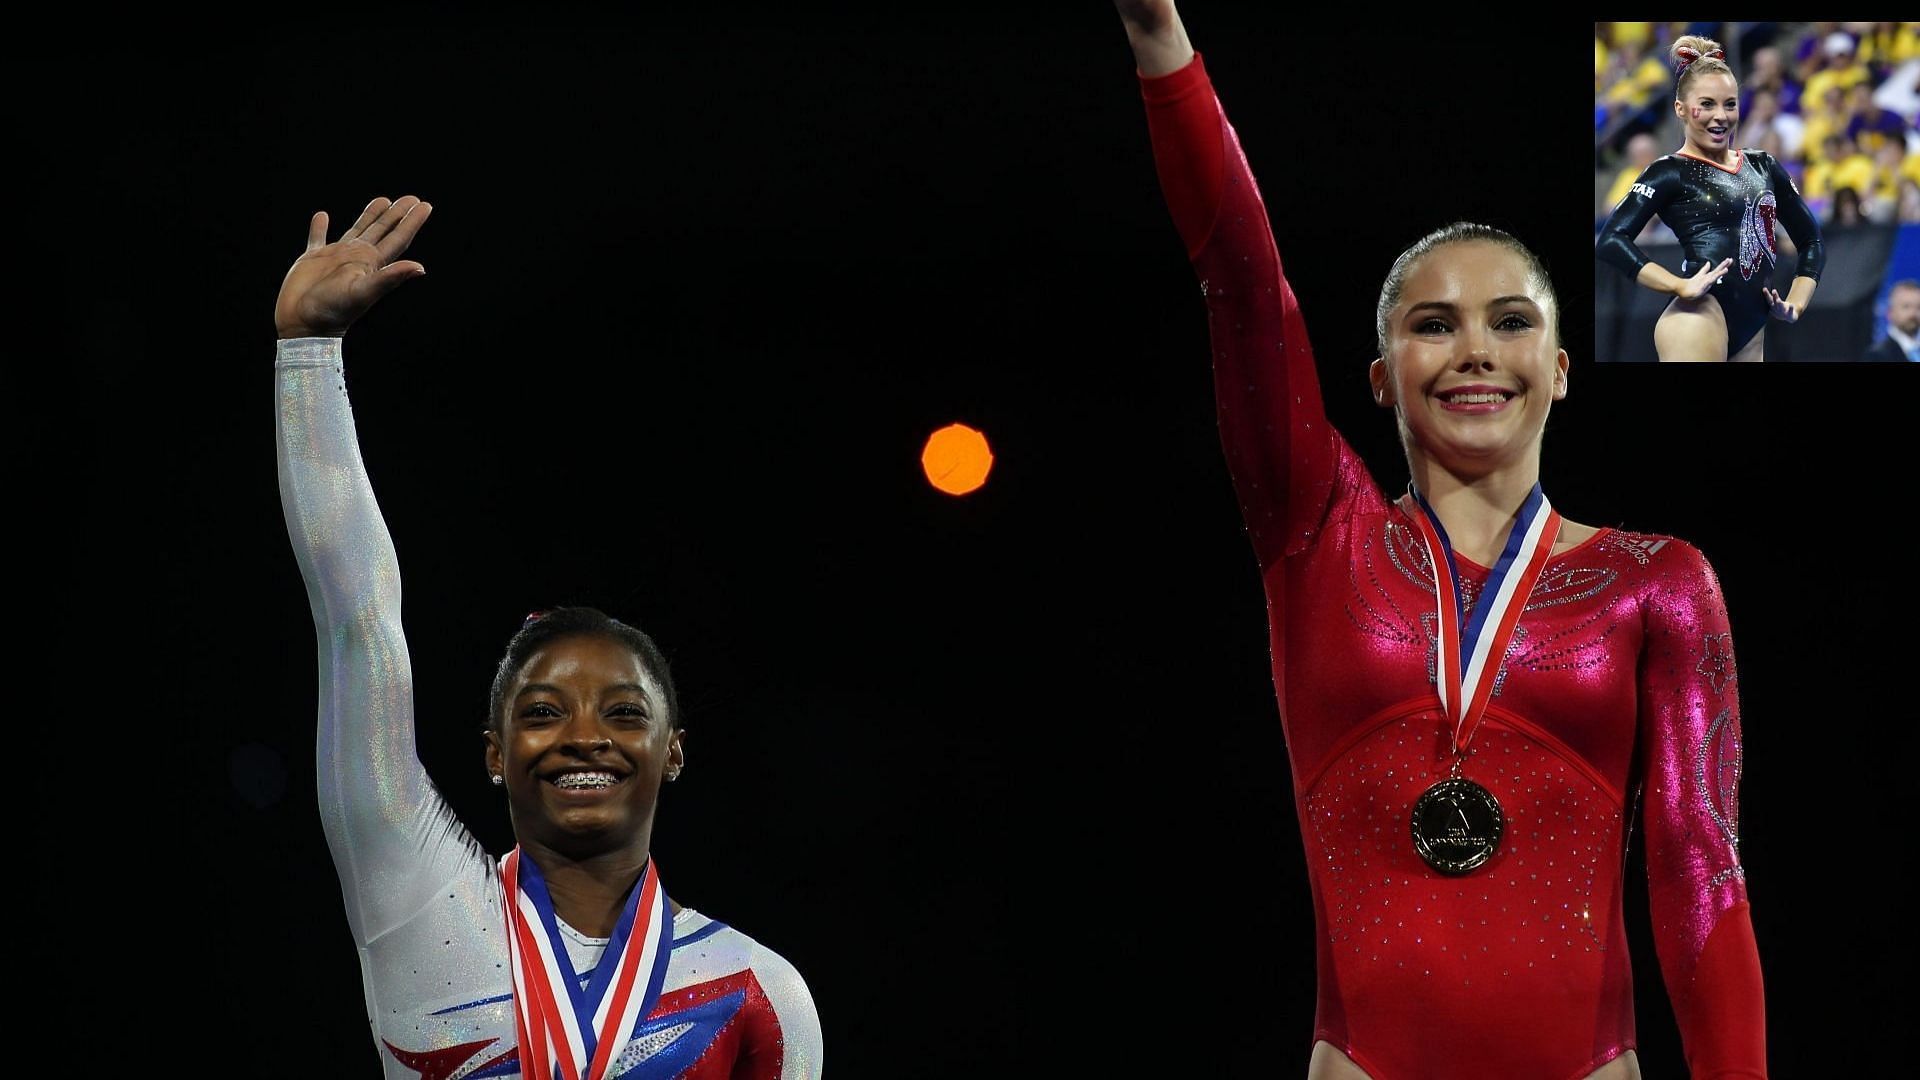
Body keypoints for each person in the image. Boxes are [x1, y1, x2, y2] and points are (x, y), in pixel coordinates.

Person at [1113, 3, 1764, 1078]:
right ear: (1381, 378)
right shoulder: (1318, 535)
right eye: (1432, 324)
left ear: (1559, 369)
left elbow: (1701, 870)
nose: (1475, 351)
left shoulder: (1657, 581)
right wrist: (1159, 43)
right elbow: (1239, 278)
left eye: (1513, 322)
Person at [275, 195, 823, 1079]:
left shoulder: (759, 992)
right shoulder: (417, 900)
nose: (583, 737)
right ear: (494, 753)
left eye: (622, 712)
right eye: (542, 710)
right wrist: (307, 353)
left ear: (673, 752)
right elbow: (355, 621)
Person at [1596, 34, 1825, 362]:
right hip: (1697, 317)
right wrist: (1677, 285)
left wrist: (1795, 304)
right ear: (1681, 109)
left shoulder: (1763, 165)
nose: (1721, 115)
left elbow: (1811, 241)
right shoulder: (1669, 171)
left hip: (1752, 328)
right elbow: (1611, 240)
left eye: (1729, 104)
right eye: (1706, 104)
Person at [1861, 279, 1920, 361]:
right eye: (1906, 307)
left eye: (1918, 307)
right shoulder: (1877, 356)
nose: (1913, 313)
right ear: (1890, 312)